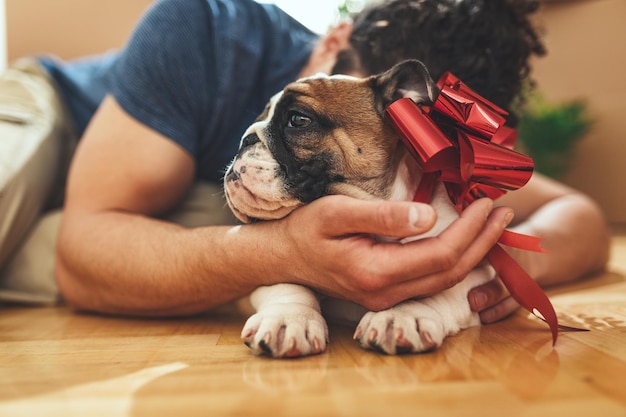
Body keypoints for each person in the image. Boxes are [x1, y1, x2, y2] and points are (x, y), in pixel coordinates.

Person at [0, 0, 610, 324]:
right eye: (394, 131)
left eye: (424, 152)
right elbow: (85, 257)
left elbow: (576, 213)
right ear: (334, 44)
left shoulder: (431, 149)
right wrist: (280, 253)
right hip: (57, 115)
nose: (408, 160)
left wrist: (488, 272)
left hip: (173, 198)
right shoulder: (207, 27)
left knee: (51, 261)